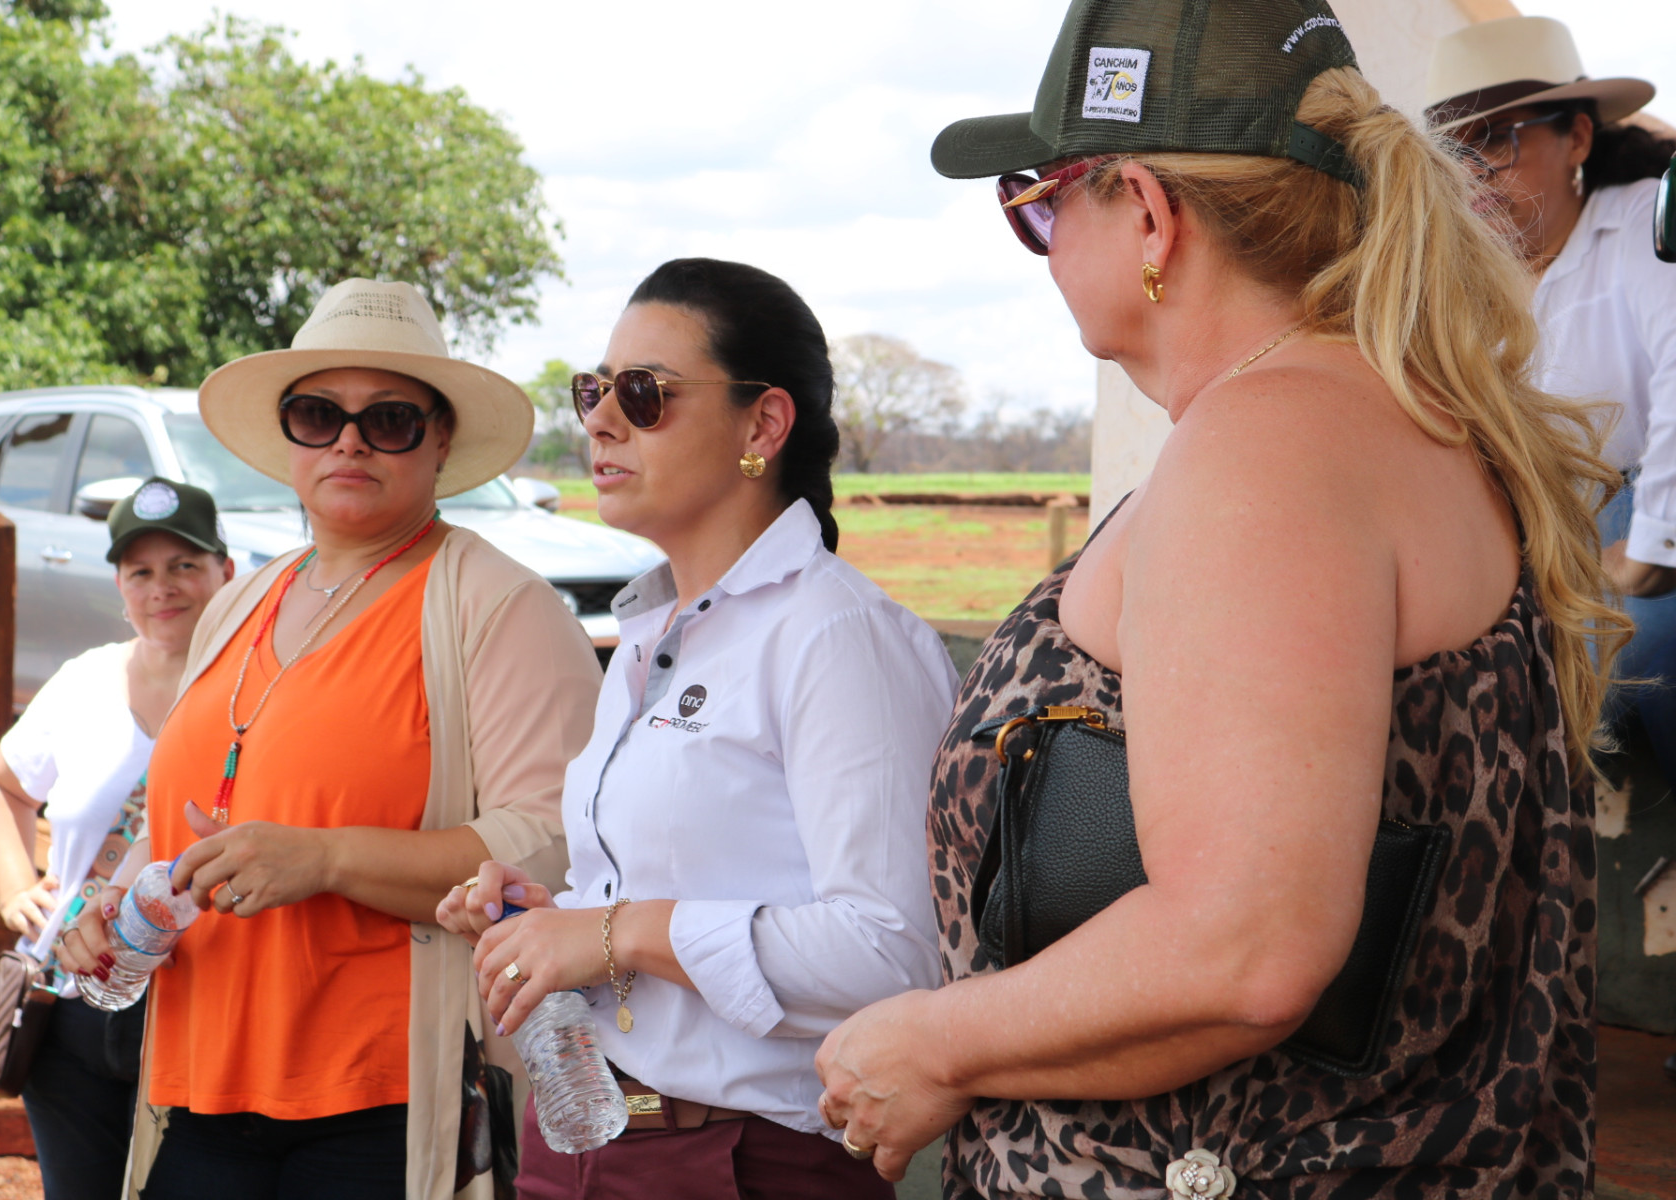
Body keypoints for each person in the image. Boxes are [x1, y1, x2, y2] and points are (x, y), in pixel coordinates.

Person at [813, 1, 1628, 1195]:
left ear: (1146, 209)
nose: (1037, 237)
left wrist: (932, 1039)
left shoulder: (1268, 449)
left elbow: (1248, 944)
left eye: (1038, 203)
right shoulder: (1383, 417)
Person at [60, 278, 602, 1200]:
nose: (349, 439)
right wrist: (111, 908)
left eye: (388, 419)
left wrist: (328, 859)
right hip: (197, 1082)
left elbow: (553, 845)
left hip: (376, 1102)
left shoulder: (495, 602)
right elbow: (194, 815)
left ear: (438, 442)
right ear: (290, 437)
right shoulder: (240, 600)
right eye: (319, 413)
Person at [436, 257, 958, 1199]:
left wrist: (616, 934)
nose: (599, 419)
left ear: (763, 423)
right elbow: (666, 896)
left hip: (742, 1160)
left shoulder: (836, 637)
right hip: (585, 1130)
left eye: (645, 393)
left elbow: (892, 954)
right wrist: (555, 924)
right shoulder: (650, 634)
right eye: (594, 389)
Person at [1425, 17, 1676, 788]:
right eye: (1454, 151)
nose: (1476, 175)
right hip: (1533, 544)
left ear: (1576, 137)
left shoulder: (1642, 224)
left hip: (1636, 524)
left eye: (1499, 140)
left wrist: (1645, 553)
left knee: (1637, 674)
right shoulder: (1454, 285)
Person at [0, 477, 234, 1200]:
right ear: (119, 586)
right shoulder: (84, 682)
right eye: (140, 571)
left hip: (203, 1009)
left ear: (226, 572)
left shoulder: (254, 694)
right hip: (72, 1003)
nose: (163, 588)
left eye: (185, 565)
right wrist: (16, 890)